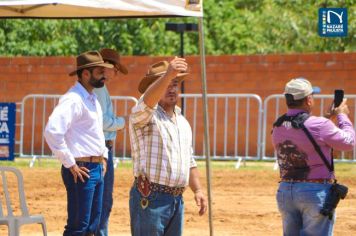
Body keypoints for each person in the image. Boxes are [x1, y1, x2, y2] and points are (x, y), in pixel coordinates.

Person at [128, 57, 208, 236]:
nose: (171, 88)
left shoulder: (182, 122)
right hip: (150, 198)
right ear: (155, 87)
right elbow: (147, 102)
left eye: (174, 83)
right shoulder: (145, 115)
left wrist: (198, 190)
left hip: (176, 199)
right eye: (166, 84)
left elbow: (189, 160)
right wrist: (167, 75)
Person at [271, 78, 355, 236]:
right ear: (309, 100)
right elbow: (349, 143)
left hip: (286, 190)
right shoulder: (320, 125)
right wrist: (342, 116)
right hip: (314, 191)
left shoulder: (278, 124)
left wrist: (327, 118)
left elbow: (305, 132)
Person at [44, 51, 111, 236]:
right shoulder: (73, 99)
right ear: (85, 74)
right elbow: (52, 130)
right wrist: (71, 164)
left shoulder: (92, 99)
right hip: (81, 168)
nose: (104, 76)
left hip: (94, 166)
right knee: (78, 227)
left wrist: (103, 157)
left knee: (91, 226)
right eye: (99, 72)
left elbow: (96, 133)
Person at [93, 48, 128, 236]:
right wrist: (121, 123)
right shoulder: (99, 88)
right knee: (103, 200)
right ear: (106, 67)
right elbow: (101, 121)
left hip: (104, 147)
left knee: (102, 200)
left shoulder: (100, 88)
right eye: (115, 69)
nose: (115, 74)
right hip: (102, 148)